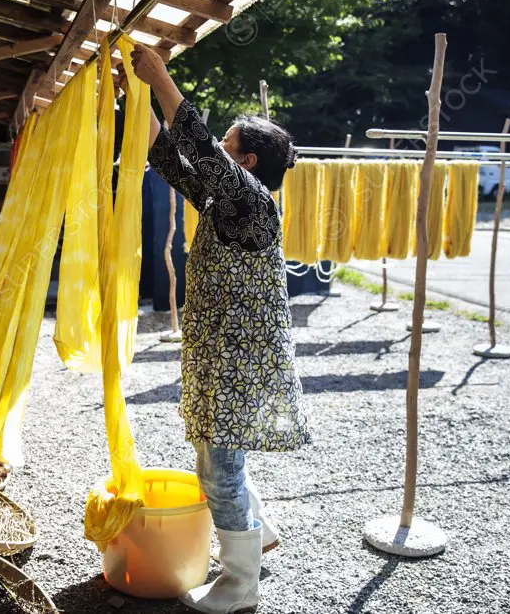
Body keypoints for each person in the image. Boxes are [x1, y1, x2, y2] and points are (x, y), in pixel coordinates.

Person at [131, 43, 309, 613]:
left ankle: (240, 584)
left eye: (230, 145)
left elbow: (198, 148)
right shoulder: (222, 200)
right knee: (222, 454)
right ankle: (259, 534)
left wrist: (160, 76)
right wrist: (137, 95)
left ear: (248, 164)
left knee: (218, 467)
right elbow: (171, 159)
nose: (221, 150)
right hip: (225, 351)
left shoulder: (251, 201)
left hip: (241, 356)